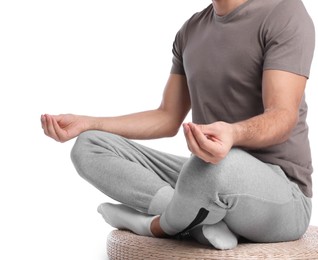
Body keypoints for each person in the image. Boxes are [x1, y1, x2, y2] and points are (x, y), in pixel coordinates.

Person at [41, 0, 315, 250]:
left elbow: (282, 116)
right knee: (90, 145)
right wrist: (89, 123)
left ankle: (155, 225)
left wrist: (233, 133)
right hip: (205, 173)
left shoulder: (284, 12)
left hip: (283, 194)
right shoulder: (191, 30)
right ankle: (198, 222)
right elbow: (167, 117)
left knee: (215, 169)